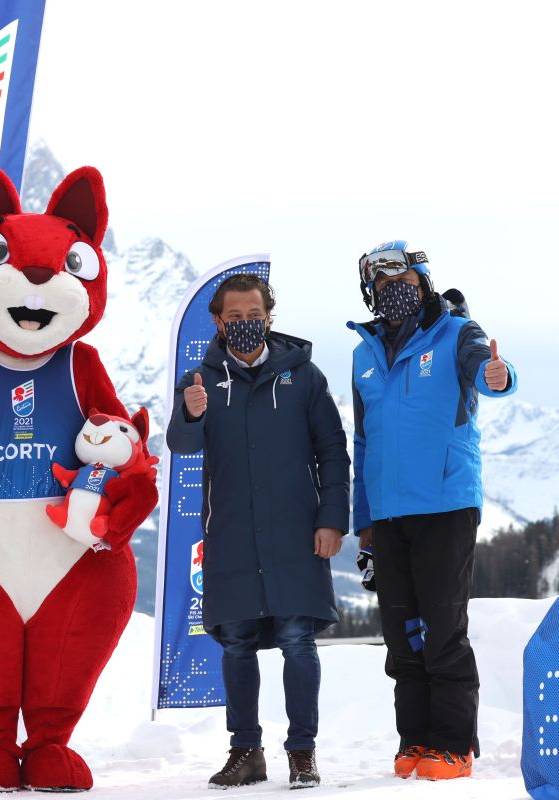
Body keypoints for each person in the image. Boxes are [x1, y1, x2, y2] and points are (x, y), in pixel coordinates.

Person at [167, 273, 349, 790]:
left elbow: (333, 452)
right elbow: (181, 444)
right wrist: (189, 412)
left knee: (298, 640)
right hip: (232, 535)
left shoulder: (305, 376)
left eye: (254, 315)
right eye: (234, 317)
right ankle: (246, 751)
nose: (245, 324)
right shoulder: (200, 379)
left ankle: (302, 753)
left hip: (296, 534)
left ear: (270, 316)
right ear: (217, 321)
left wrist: (332, 519)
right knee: (237, 643)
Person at [349, 241, 517, 780]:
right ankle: (415, 740)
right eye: (381, 283)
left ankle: (453, 744)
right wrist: (364, 523)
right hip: (389, 512)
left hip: (446, 502)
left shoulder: (456, 333)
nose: (392, 290)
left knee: (443, 626)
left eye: (402, 280)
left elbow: (490, 371)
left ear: (421, 281)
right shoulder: (363, 354)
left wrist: (499, 375)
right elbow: (363, 442)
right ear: (370, 291)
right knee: (402, 635)